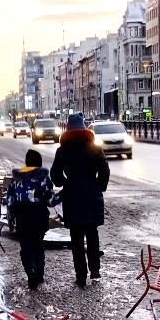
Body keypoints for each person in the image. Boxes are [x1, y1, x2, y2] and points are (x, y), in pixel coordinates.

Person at [51, 113, 110, 287]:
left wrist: (65, 183)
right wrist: (99, 186)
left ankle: (81, 276)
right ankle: (95, 271)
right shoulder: (94, 148)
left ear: (68, 129)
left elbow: (55, 175)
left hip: (73, 197)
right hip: (92, 196)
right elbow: (105, 171)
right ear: (84, 128)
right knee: (92, 235)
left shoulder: (62, 150)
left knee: (76, 239)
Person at [7, 149, 59, 290]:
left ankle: (31, 275)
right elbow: (51, 201)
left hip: (22, 219)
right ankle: (39, 274)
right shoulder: (43, 178)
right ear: (39, 163)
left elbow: (10, 202)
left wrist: (10, 220)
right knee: (38, 246)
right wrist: (63, 194)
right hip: (39, 217)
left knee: (25, 248)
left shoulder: (15, 180)